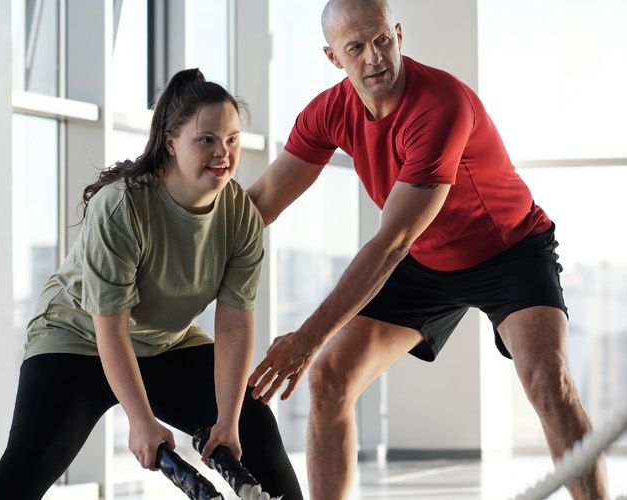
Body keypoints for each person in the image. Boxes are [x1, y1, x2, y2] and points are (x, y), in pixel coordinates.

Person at [244, 1, 606, 498]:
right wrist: (175, 241)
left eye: (382, 41)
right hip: (426, 258)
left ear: (397, 33)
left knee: (548, 379)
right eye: (356, 48)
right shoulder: (328, 112)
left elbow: (392, 242)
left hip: (509, 250)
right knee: (330, 380)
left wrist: (305, 338)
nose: (374, 58)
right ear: (333, 58)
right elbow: (260, 202)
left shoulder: (441, 104)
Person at [0, 69, 303, 500]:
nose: (223, 153)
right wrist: (141, 420)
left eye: (232, 139)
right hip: (78, 337)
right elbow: (109, 327)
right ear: (171, 142)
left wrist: (227, 419)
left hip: (165, 342)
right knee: (27, 467)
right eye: (207, 140)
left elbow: (234, 325)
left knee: (254, 425)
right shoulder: (123, 206)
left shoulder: (240, 215)